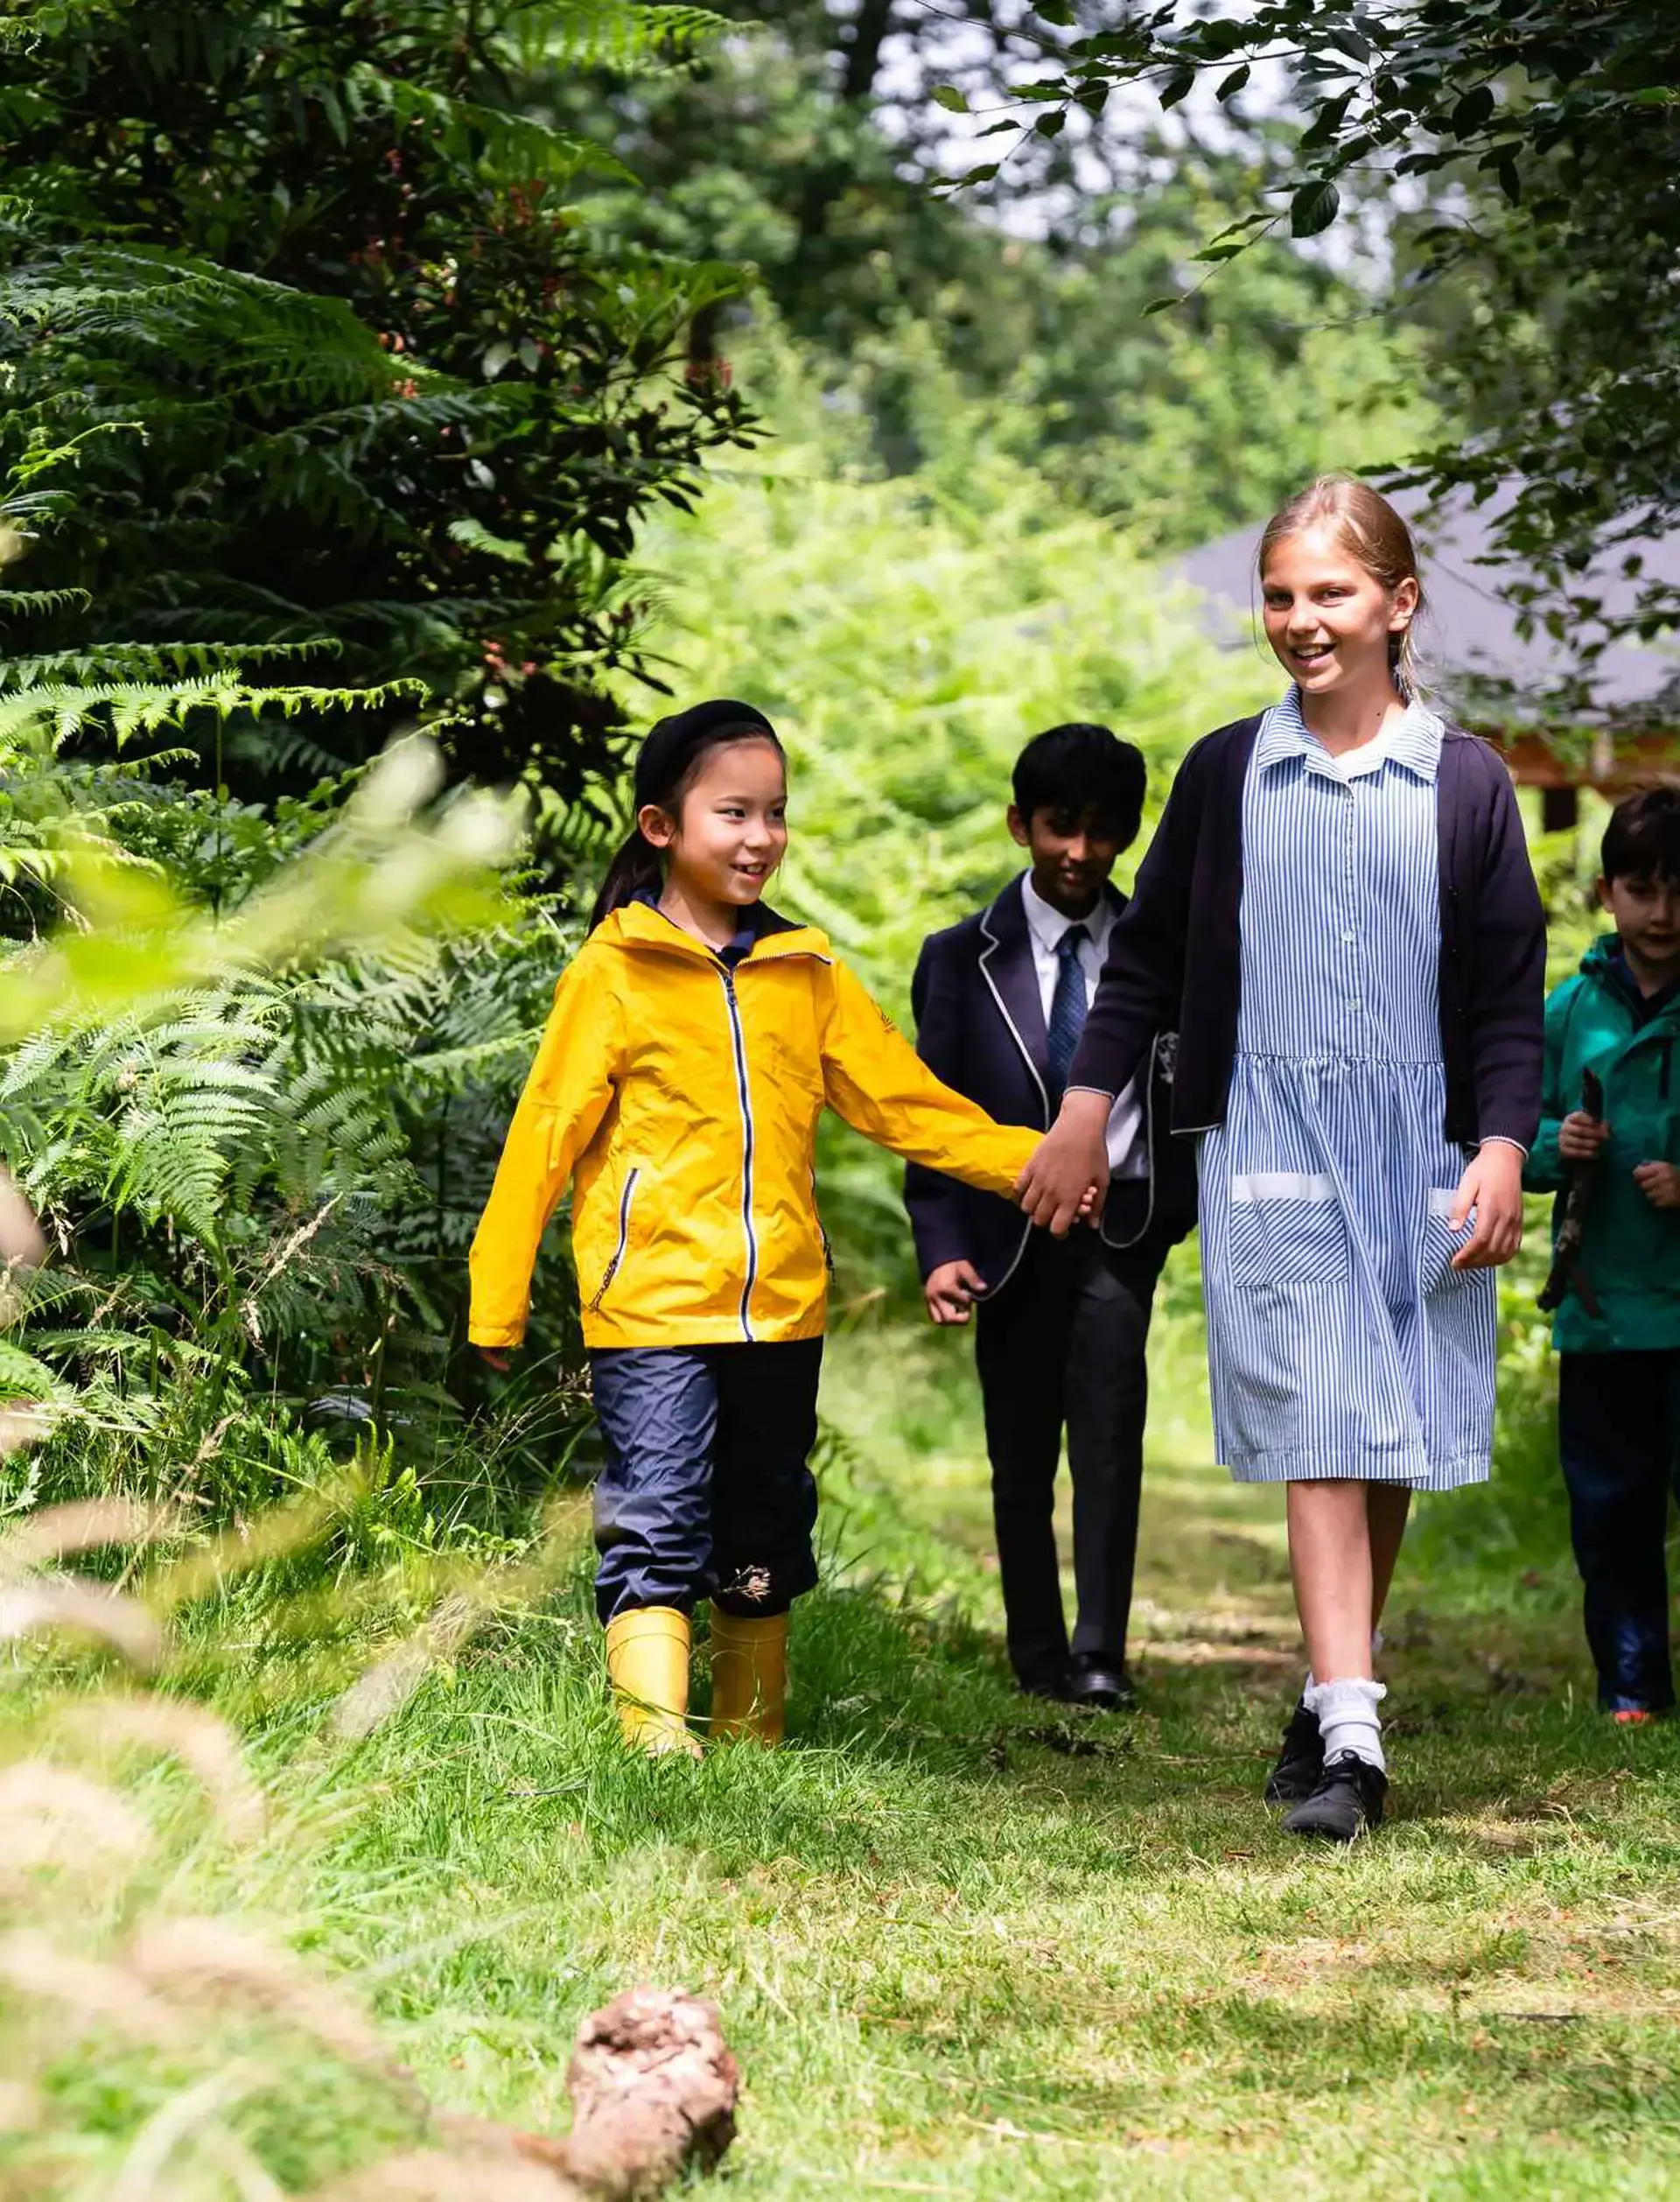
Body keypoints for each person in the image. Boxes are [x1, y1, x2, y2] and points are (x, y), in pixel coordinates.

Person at [1015, 475, 1546, 1841]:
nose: (1302, 621)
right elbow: (1145, 964)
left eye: (1331, 594)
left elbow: (1502, 990)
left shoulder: (1469, 786)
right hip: (1273, 1128)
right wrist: (1085, 1108)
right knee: (1325, 1412)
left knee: (1394, 1429)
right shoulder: (1224, 771)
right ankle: (1357, 1740)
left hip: (1423, 1140)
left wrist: (1500, 1145)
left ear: (1397, 604)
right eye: (1281, 596)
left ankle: (1326, 1692)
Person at [468, 698, 1053, 1757]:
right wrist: (496, 1292)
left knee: (765, 1525)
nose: (760, 838)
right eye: (733, 812)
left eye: (775, 813)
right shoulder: (613, 971)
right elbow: (544, 1136)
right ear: (662, 826)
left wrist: (1033, 1163)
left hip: (779, 1307)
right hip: (647, 1307)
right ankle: (655, 1743)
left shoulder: (807, 973)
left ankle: (751, 1745)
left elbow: (904, 1103)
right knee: (656, 1513)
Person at [904, 725, 1197, 1708]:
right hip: (1005, 1235)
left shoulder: (1159, 955)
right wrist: (939, 1245)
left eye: (1103, 832)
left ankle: (1102, 1652)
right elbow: (931, 1114)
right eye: (1060, 828)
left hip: (1121, 1233)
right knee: (1019, 1447)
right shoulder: (958, 959)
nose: (1079, 852)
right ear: (1019, 823)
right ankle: (1035, 1649)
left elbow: (1188, 1089)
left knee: (1111, 1437)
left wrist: (1170, 1204)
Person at [1525, 787, 1680, 1722]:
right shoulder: (1566, 1009)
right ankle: (1633, 1685)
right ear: (1605, 891)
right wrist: (1557, 1146)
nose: (1663, 912)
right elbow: (1515, 1142)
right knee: (1612, 1510)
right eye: (1643, 888)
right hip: (1601, 1313)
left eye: (1679, 889)